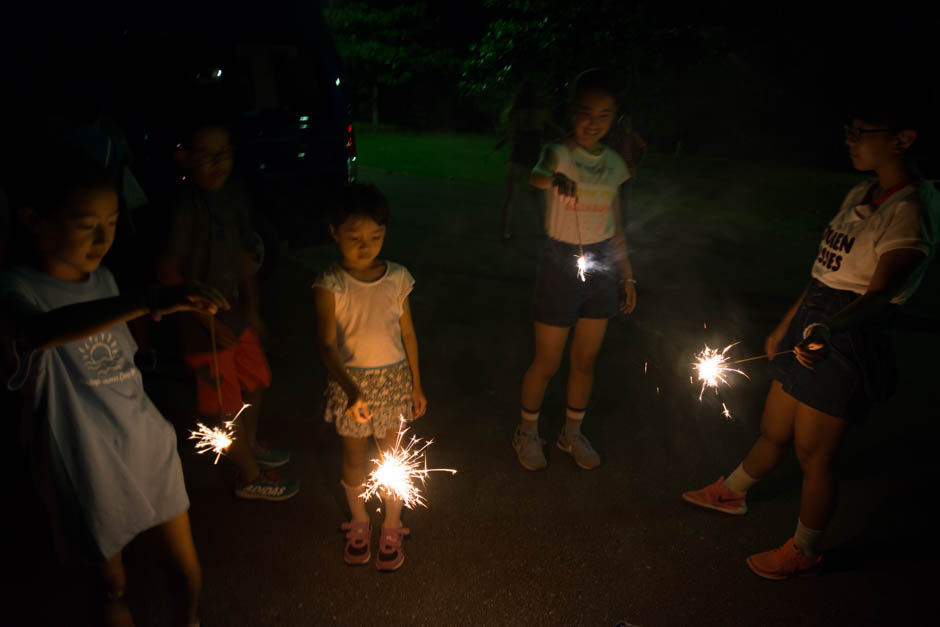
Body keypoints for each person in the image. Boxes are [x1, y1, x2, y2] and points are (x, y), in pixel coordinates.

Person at [682, 100, 939, 579]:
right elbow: (825, 272)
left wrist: (828, 329)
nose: (849, 138)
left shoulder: (911, 209)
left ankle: (805, 549)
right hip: (815, 317)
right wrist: (789, 322)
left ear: (902, 139)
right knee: (774, 428)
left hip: (848, 333)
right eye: (850, 128)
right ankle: (733, 491)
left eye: (862, 130)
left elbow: (879, 296)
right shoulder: (861, 193)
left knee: (813, 454)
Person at [0, 151, 230, 626]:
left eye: (111, 221)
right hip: (84, 459)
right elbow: (38, 333)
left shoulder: (103, 278)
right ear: (34, 221)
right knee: (111, 587)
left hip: (146, 442)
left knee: (186, 569)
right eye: (87, 225)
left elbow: (126, 348)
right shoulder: (16, 291)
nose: (104, 238)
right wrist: (149, 301)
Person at [155, 119, 299, 501]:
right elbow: (169, 274)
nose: (219, 162)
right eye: (207, 154)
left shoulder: (234, 197)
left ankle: (249, 444)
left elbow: (242, 257)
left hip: (235, 318)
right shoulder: (183, 209)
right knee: (224, 406)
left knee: (257, 379)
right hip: (201, 330)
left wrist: (252, 309)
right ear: (185, 158)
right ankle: (249, 475)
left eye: (225, 152)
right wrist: (206, 322)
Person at [512, 69, 638, 471]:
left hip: (601, 265)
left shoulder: (616, 164)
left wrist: (627, 274)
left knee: (585, 360)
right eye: (586, 112)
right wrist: (553, 179)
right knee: (548, 360)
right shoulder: (558, 152)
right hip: (560, 262)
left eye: (604, 115)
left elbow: (616, 224)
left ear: (614, 118)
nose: (594, 122)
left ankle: (571, 434)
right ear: (572, 112)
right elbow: (537, 174)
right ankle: (527, 432)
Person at [313, 182, 427, 571]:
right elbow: (327, 346)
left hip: (393, 381)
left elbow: (408, 333)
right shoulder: (330, 283)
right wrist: (350, 390)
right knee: (354, 455)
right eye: (354, 237)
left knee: (393, 456)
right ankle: (359, 519)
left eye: (375, 236)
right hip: (351, 386)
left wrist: (416, 384)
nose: (366, 246)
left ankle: (393, 522)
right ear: (333, 232)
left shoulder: (397, 278)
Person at [495, 80, 560, 240]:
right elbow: (556, 129)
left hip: (516, 160)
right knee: (540, 200)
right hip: (534, 162)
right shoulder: (541, 113)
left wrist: (500, 143)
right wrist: (566, 135)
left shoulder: (516, 112)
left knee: (510, 198)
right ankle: (544, 232)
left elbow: (509, 135)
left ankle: (505, 232)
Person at [607, 113, 647, 227]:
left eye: (625, 122)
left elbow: (643, 148)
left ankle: (622, 223)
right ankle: (614, 221)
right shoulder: (617, 136)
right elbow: (610, 150)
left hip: (628, 172)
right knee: (614, 197)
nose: (623, 125)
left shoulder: (633, 136)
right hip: (615, 172)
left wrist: (636, 162)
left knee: (624, 199)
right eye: (622, 122)